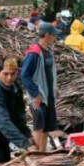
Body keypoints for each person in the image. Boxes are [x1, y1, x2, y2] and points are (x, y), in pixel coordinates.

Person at [21, 22, 58, 152]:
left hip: (48, 95)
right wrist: (35, 94)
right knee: (39, 126)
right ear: (47, 35)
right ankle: (36, 156)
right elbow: (25, 75)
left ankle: (42, 154)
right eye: (53, 35)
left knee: (46, 127)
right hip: (38, 96)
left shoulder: (47, 51)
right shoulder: (34, 53)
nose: (55, 38)